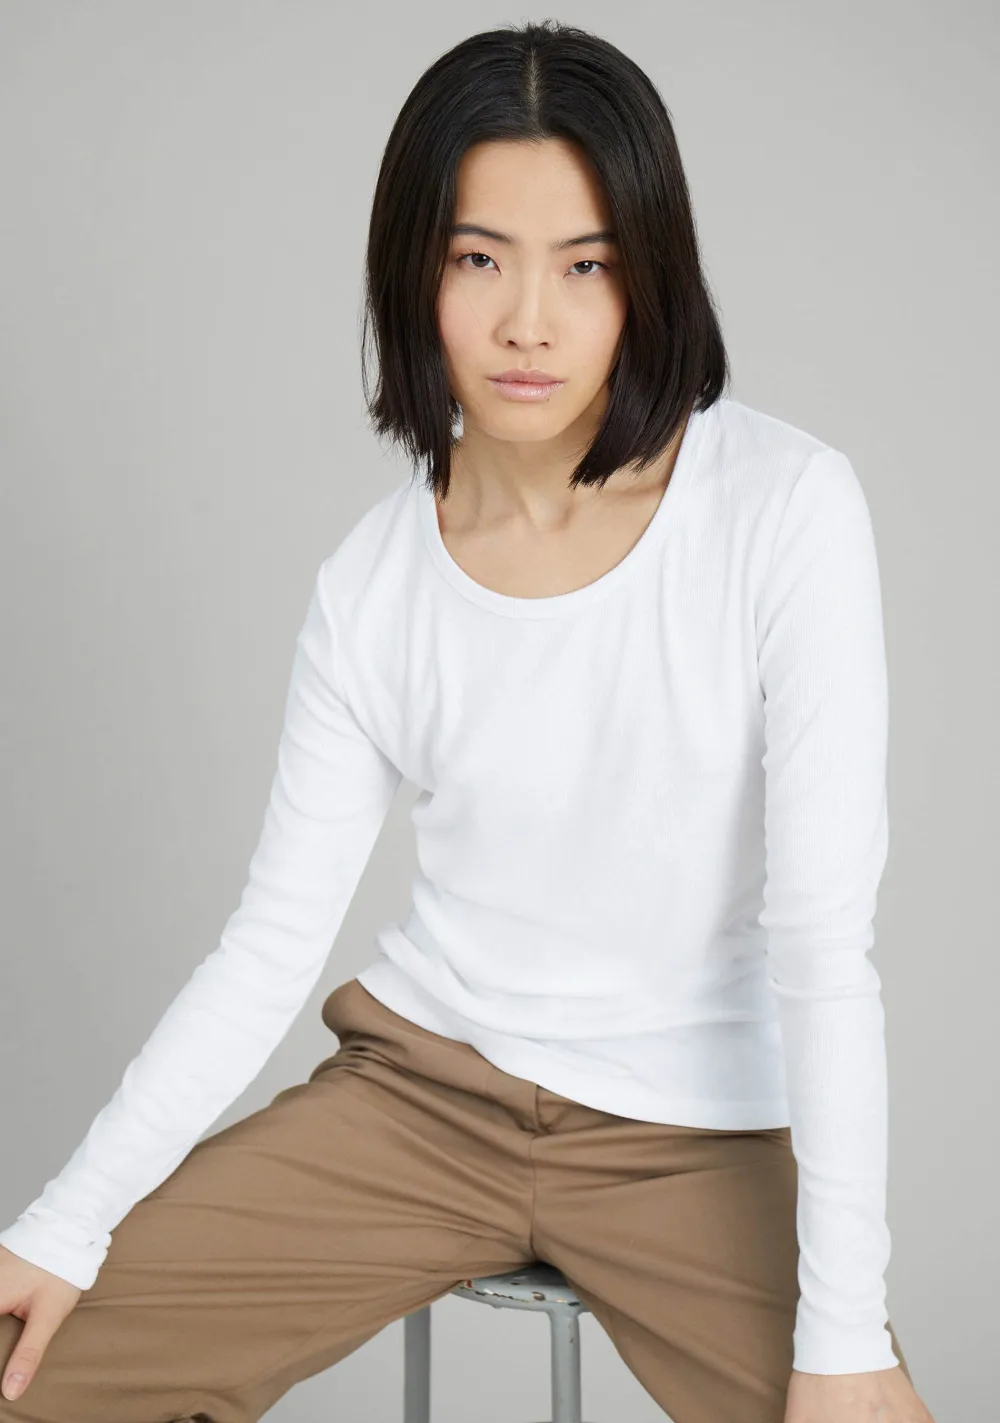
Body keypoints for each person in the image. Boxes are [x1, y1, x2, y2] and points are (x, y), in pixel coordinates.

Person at [0, 19, 936, 1423]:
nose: (527, 324)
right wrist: (61, 1225)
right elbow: (269, 945)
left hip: (687, 1133)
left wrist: (845, 1330)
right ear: (414, 273)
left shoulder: (786, 508)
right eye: (479, 259)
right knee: (28, 1379)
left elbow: (823, 942)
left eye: (586, 266)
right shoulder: (372, 583)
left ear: (650, 275)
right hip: (421, 1099)